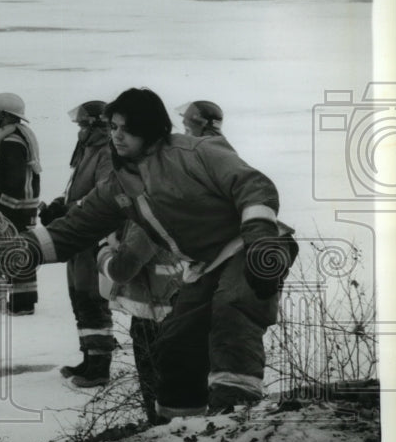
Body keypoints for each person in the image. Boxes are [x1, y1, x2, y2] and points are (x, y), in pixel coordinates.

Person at [27, 87, 297, 417]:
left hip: (252, 245)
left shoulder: (196, 151)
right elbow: (77, 227)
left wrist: (259, 239)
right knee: (175, 343)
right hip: (205, 264)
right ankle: (179, 432)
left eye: (126, 128)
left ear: (149, 126)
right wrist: (22, 250)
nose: (117, 136)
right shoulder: (120, 183)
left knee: (232, 310)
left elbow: (252, 185)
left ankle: (234, 414)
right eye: (113, 127)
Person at [39, 101, 117, 387]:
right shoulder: (89, 151)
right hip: (78, 235)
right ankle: (88, 357)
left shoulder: (107, 152)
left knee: (91, 298)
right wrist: (61, 204)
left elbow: (102, 195)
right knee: (78, 296)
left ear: (97, 125)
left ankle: (99, 367)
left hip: (91, 235)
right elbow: (79, 190)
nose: (80, 130)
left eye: (84, 125)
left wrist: (67, 210)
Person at [96, 221, 181, 424]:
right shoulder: (186, 202)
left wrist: (102, 251)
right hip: (181, 302)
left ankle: (161, 431)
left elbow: (121, 268)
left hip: (153, 312)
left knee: (157, 389)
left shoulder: (147, 217)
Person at [0, 92, 41, 315]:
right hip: (24, 205)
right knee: (20, 249)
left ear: (5, 116)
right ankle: (21, 301)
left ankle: (21, 304)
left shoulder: (11, 141)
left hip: (14, 205)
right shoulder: (20, 135)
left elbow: (13, 179)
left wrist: (0, 201)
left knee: (15, 250)